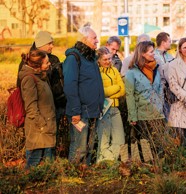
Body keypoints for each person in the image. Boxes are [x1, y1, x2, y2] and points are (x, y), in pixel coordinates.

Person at [63, 26, 104, 164]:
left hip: (92, 111)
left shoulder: (91, 58)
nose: (97, 41)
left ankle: (85, 176)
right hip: (80, 112)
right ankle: (72, 177)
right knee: (79, 147)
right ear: (84, 39)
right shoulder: (73, 58)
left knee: (89, 147)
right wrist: (75, 111)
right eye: (94, 38)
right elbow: (70, 86)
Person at [125, 41, 165, 161]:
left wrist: (160, 106)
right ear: (142, 53)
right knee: (145, 146)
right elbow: (129, 95)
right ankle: (147, 170)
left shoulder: (156, 69)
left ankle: (158, 170)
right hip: (142, 114)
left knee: (158, 145)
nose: (154, 54)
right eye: (151, 51)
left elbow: (160, 90)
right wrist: (133, 116)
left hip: (157, 114)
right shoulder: (132, 72)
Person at [19, 50, 56, 168]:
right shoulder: (29, 79)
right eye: (46, 62)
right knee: (33, 165)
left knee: (48, 168)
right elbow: (31, 108)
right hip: (39, 130)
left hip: (46, 128)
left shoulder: (40, 77)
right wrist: (42, 125)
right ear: (38, 65)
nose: (49, 64)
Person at [96, 47, 126, 162]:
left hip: (115, 108)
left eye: (109, 58)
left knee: (120, 140)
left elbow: (122, 90)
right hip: (103, 110)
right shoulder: (96, 72)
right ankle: (102, 163)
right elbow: (100, 91)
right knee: (104, 141)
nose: (108, 61)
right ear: (99, 60)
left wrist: (110, 93)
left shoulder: (114, 70)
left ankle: (110, 161)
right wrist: (116, 88)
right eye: (105, 59)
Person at [154, 32, 174, 119]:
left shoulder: (170, 56)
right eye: (169, 41)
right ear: (163, 42)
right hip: (159, 91)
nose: (171, 43)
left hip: (171, 92)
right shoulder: (153, 56)